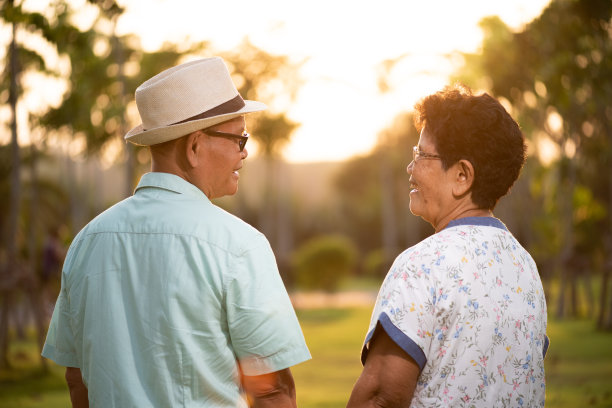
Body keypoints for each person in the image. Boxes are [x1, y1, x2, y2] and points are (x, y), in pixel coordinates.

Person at [42, 57, 311, 408]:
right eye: (239, 139)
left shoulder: (87, 241)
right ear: (195, 146)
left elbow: (77, 379)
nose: (244, 153)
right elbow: (273, 392)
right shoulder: (239, 246)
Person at [347, 84, 549, 407]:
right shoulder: (526, 269)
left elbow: (380, 397)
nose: (410, 168)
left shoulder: (421, 266)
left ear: (462, 175)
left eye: (421, 155)